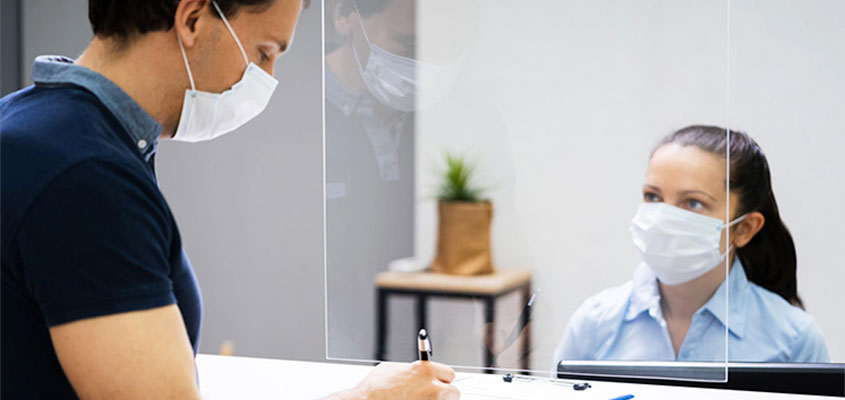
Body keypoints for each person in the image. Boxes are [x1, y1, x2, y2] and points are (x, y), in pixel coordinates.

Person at [0, 1, 459, 399]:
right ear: (194, 19)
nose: (266, 79)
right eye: (264, 53)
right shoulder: (85, 176)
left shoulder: (32, 124)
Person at [553, 125, 829, 367]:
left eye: (693, 203)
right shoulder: (594, 324)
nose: (663, 217)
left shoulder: (794, 341)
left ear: (743, 229)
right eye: (652, 196)